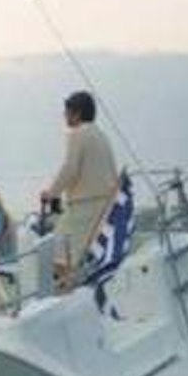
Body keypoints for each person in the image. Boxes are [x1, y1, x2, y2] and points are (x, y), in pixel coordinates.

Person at [40, 91, 119, 272]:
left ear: (76, 113)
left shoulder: (77, 134)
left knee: (57, 250)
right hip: (104, 204)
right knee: (78, 253)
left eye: (67, 111)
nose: (64, 115)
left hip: (84, 205)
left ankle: (67, 286)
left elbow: (70, 169)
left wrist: (51, 193)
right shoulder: (101, 135)